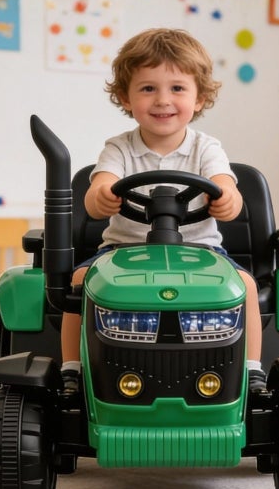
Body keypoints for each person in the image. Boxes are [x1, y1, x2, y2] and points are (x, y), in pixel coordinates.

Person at [60, 27, 265, 394]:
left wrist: (227, 199)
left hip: (202, 256)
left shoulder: (206, 149)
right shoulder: (118, 148)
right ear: (125, 98)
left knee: (245, 285)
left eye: (177, 88)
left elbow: (228, 190)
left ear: (200, 98)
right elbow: (97, 191)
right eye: (148, 88)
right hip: (122, 255)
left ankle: (251, 372)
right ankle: (72, 370)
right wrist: (101, 196)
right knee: (80, 281)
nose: (163, 100)